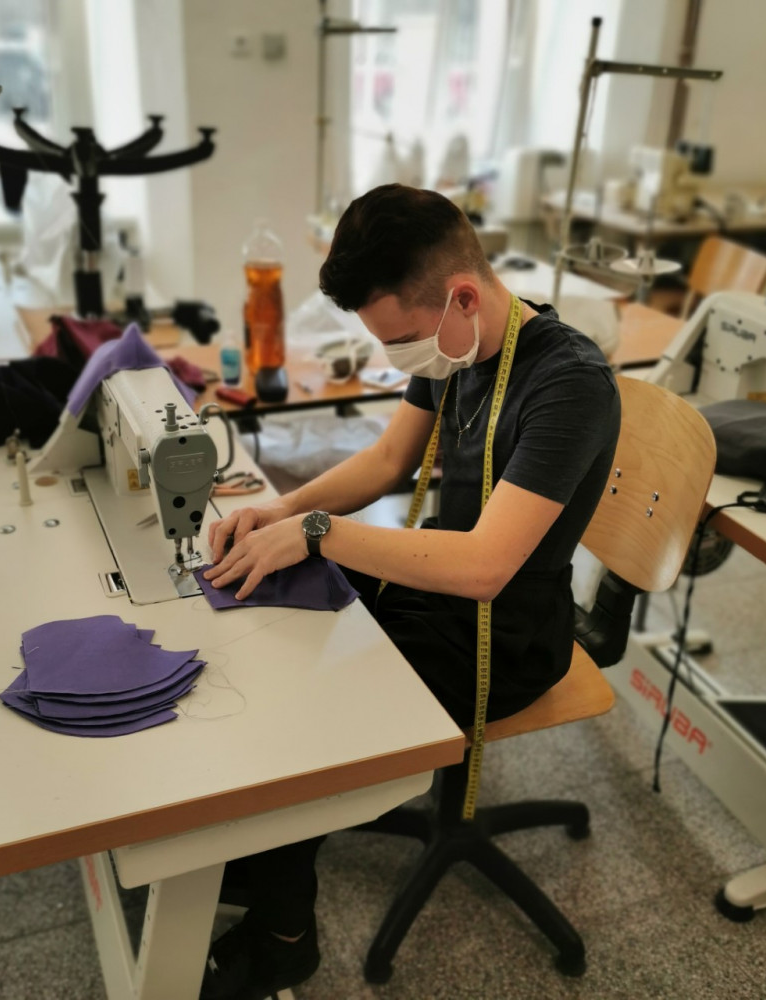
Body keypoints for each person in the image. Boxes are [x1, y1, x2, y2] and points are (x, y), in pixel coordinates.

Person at [199, 184, 621, 999]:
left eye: (398, 339)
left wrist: (316, 531)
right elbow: (389, 461)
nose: (397, 357)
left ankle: (284, 935)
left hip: (506, 632)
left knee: (306, 706)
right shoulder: (457, 347)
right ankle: (260, 851)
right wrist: (279, 512)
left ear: (461, 296)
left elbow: (486, 566)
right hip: (436, 583)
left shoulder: (568, 383)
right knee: (274, 617)